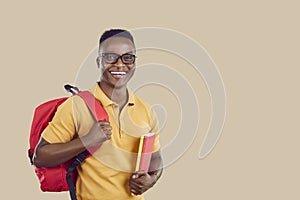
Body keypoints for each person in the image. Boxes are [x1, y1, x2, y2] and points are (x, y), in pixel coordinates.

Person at [33, 29, 163, 200]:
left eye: (128, 58)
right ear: (98, 61)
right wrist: (87, 141)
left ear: (134, 62)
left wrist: (151, 179)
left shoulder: (145, 110)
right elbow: (41, 156)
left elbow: (157, 159)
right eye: (110, 57)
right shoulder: (76, 106)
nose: (119, 64)